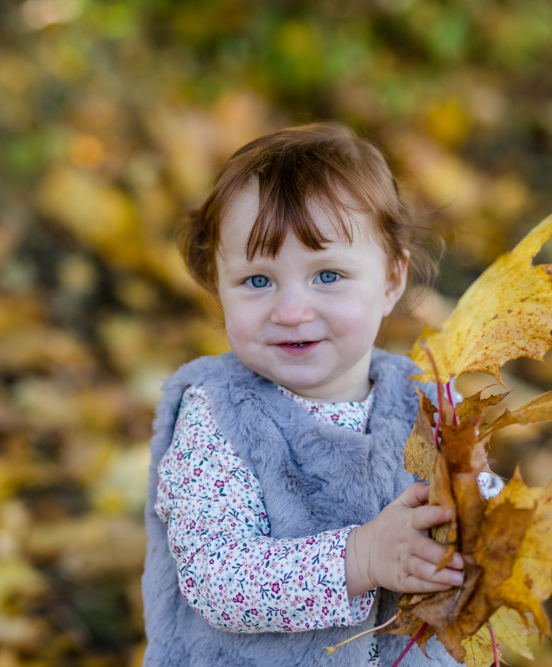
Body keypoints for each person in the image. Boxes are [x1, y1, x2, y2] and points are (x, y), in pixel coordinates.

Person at [142, 122, 462, 666]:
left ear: (390, 280)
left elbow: (468, 492)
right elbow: (218, 575)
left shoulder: (427, 402)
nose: (291, 310)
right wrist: (358, 558)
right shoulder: (218, 416)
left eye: (328, 275)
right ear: (218, 285)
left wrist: (490, 518)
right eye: (258, 281)